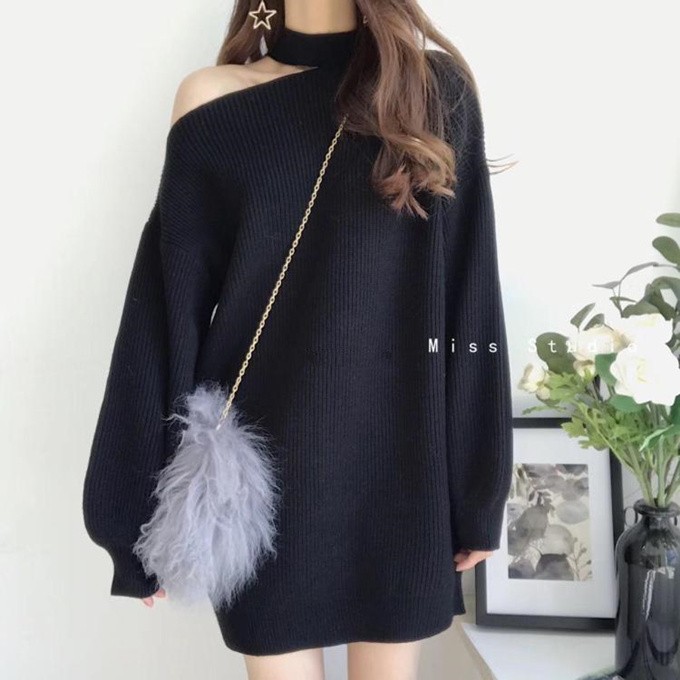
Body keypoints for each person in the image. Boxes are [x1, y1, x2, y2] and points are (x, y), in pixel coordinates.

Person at [82, 0, 514, 678]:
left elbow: (470, 303)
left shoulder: (431, 91)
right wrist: (129, 512)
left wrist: (479, 491)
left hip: (404, 471)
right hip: (260, 483)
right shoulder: (214, 99)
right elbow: (166, 310)